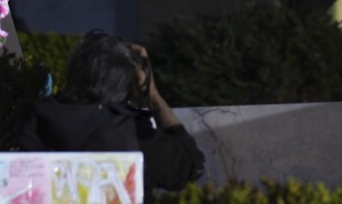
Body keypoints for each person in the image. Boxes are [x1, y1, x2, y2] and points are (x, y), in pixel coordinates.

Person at [20, 32, 206, 194]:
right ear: (127, 84)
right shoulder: (132, 133)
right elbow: (192, 166)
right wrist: (153, 95)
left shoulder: (36, 117)